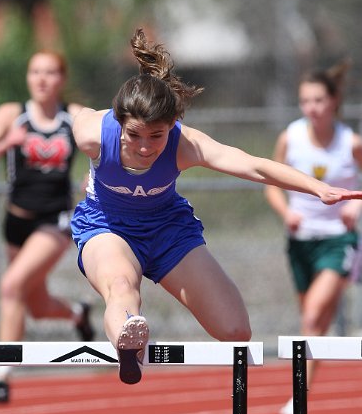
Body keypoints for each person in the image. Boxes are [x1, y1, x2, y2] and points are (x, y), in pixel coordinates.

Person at [70, 28, 362, 386]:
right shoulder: (95, 133)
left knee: (236, 330)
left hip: (166, 229)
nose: (145, 147)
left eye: (156, 136)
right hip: (109, 226)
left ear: (172, 126)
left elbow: (253, 165)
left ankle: (133, 330)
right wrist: (92, 170)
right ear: (119, 123)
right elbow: (76, 113)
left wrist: (318, 188)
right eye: (134, 135)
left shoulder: (186, 143)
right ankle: (129, 341)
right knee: (120, 284)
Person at [0, 50, 95, 403]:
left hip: (54, 222)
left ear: (61, 79)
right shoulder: (11, 115)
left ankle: (2, 378)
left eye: (50, 72)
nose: (41, 79)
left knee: (10, 287)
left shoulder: (75, 115)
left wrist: (94, 176)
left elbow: (108, 150)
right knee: (34, 305)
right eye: (35, 71)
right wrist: (7, 143)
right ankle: (77, 313)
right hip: (15, 221)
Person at [265, 60, 362, 414]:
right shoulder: (290, 138)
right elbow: (272, 186)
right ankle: (303, 391)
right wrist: (286, 212)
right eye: (306, 101)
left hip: (339, 240)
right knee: (314, 324)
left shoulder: (350, 143)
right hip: (300, 241)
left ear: (334, 101)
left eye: (319, 100)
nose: (312, 108)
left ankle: (297, 396)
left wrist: (356, 208)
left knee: (313, 314)